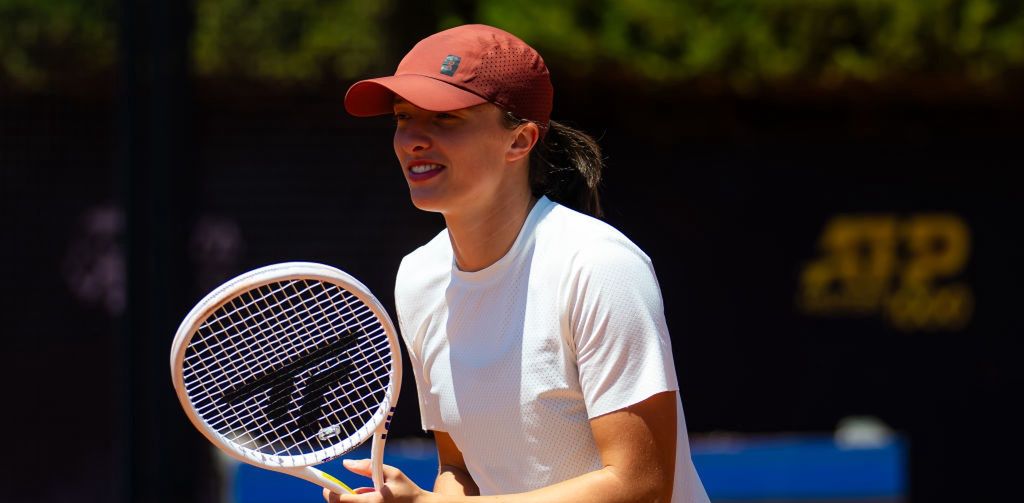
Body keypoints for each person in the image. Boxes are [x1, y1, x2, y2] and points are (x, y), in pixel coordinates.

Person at [332, 24, 709, 503]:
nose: (412, 139)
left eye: (445, 118)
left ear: (520, 140)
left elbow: (640, 485)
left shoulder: (599, 265)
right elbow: (462, 467)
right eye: (404, 117)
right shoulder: (418, 279)